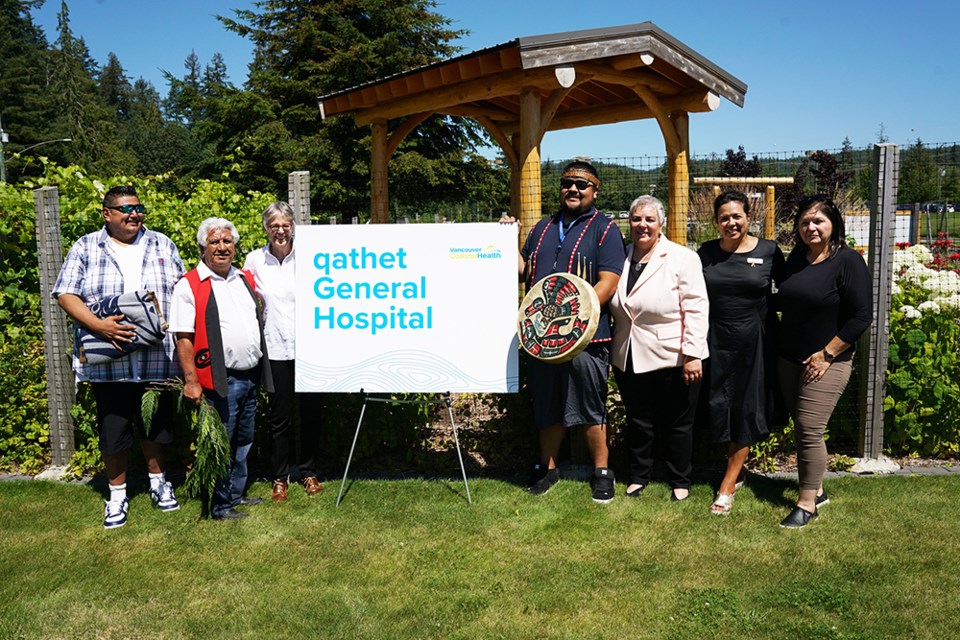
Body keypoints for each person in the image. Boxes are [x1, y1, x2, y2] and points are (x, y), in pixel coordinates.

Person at [53, 186, 185, 529]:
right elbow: (65, 293)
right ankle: (117, 495)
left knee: (158, 424)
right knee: (114, 428)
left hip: (157, 356)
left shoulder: (162, 244)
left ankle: (159, 484)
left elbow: (183, 289)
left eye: (138, 207)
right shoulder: (85, 246)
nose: (133, 214)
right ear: (106, 213)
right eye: (125, 208)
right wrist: (101, 327)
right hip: (109, 359)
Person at [513, 160, 626, 503]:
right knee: (547, 404)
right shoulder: (541, 228)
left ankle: (602, 472)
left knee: (591, 406)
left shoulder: (604, 229)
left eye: (582, 185)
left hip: (588, 338)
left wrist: (574, 317)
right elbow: (522, 271)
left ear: (595, 190)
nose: (573, 190)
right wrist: (506, 237)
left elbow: (608, 282)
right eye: (567, 183)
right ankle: (547, 468)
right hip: (542, 338)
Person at [777, 194, 871, 528]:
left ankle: (806, 504)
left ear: (833, 224)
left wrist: (828, 353)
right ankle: (817, 490)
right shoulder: (797, 258)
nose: (811, 228)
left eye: (818, 221)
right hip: (789, 359)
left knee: (809, 428)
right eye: (804, 222)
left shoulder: (848, 261)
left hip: (828, 360)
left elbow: (861, 316)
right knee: (805, 427)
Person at [171, 217, 274, 521]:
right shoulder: (190, 285)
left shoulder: (242, 279)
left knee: (243, 440)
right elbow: (183, 337)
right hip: (219, 379)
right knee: (220, 443)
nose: (221, 247)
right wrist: (191, 381)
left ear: (235, 245)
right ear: (203, 247)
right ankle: (219, 505)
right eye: (214, 242)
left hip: (249, 375)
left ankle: (236, 492)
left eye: (227, 241)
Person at [610, 195, 709, 502]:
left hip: (672, 355)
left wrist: (693, 354)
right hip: (627, 353)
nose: (642, 225)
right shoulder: (621, 258)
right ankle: (639, 475)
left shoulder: (682, 258)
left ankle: (680, 479)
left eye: (649, 219)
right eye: (637, 219)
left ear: (661, 223)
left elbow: (696, 307)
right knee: (639, 420)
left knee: (678, 422)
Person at [698, 191, 785, 515]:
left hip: (755, 343)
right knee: (721, 406)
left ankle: (727, 484)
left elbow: (786, 295)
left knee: (747, 408)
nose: (731, 222)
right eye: (724, 217)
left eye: (737, 216)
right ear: (716, 222)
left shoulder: (769, 251)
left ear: (749, 217)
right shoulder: (706, 252)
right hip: (715, 341)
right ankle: (737, 470)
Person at [242, 202, 323, 502]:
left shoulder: (310, 258)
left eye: (285, 224)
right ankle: (280, 477)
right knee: (279, 418)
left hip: (309, 348)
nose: (280, 230)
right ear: (266, 228)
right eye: (274, 225)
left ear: (293, 227)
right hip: (275, 348)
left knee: (310, 414)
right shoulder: (254, 261)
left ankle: (309, 471)